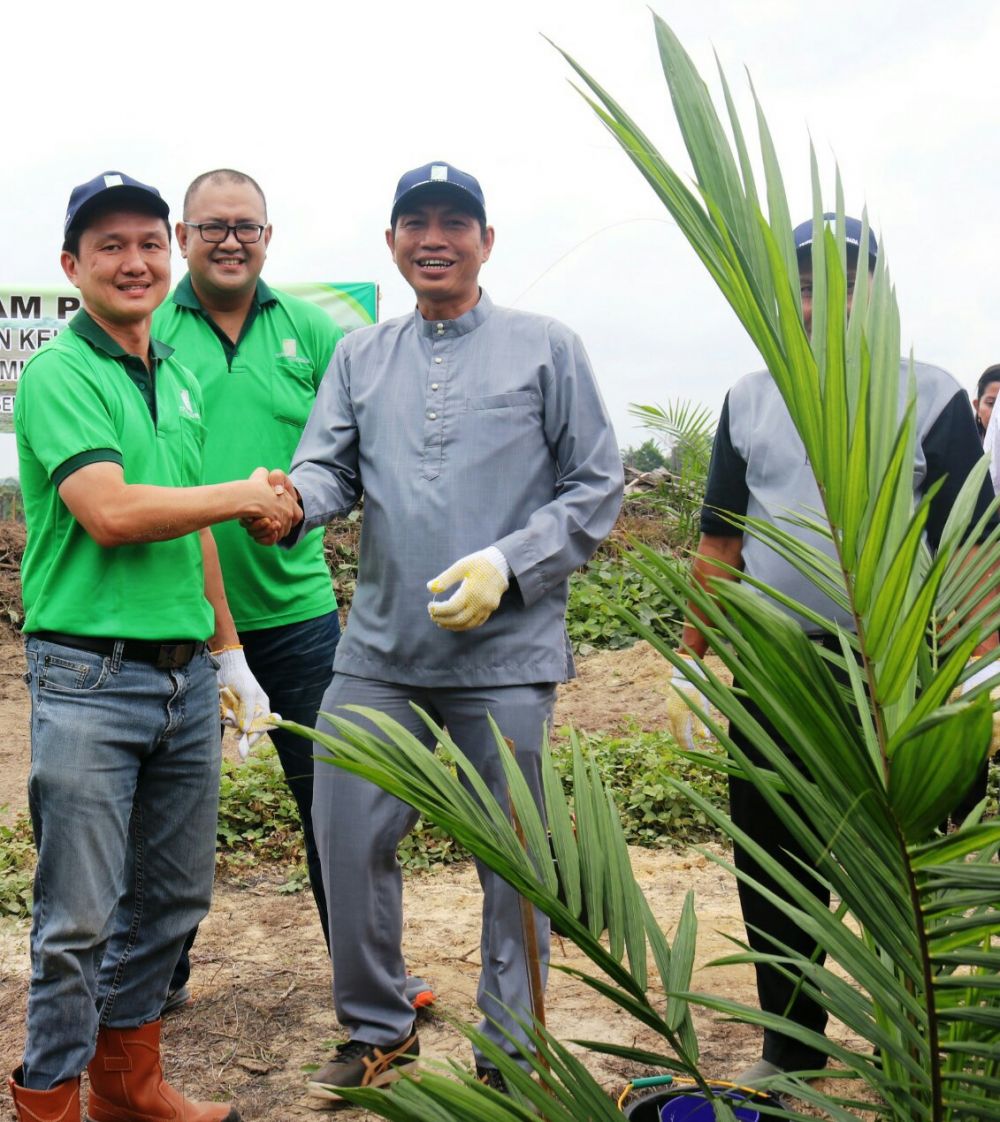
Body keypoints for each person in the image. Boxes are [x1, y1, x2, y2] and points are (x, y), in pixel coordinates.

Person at [254, 161, 623, 1102]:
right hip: (378, 654)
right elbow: (329, 469)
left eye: (455, 222)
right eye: (414, 221)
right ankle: (379, 1028)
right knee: (347, 837)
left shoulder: (549, 347)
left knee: (513, 855)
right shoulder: (360, 356)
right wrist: (295, 502)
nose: (435, 237)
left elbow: (596, 485)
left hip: (505, 658)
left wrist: (511, 562)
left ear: (486, 242)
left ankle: (509, 1050)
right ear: (391, 244)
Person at [671, 213, 997, 1086]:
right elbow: (722, 544)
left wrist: (980, 681)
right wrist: (693, 657)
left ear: (878, 292)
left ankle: (919, 1037)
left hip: (900, 672)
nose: (828, 297)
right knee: (773, 857)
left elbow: (969, 551)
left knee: (913, 857)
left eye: (850, 278)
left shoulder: (931, 395)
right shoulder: (750, 398)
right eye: (810, 280)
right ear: (789, 292)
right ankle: (792, 1046)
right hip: (781, 670)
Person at [8, 170, 299, 1122]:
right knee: (79, 919)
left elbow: (192, 529)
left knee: (172, 903)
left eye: (147, 245)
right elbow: (114, 512)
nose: (134, 263)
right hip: (88, 675)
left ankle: (127, 1085)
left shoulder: (172, 373)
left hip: (180, 681)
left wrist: (230, 655)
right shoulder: (60, 375)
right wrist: (251, 493)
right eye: (109, 248)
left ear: (165, 253)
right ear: (72, 266)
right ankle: (48, 1095)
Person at [152, 169, 344, 1008]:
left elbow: (346, 449)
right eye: (213, 225)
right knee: (169, 817)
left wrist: (300, 503)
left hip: (299, 611)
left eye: (248, 226)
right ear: (182, 233)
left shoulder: (314, 331)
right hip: (179, 615)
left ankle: (369, 976)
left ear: (270, 236)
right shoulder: (148, 330)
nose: (231, 240)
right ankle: (156, 980)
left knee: (337, 804)